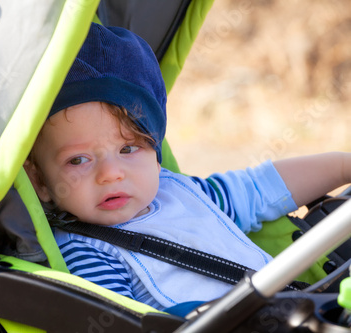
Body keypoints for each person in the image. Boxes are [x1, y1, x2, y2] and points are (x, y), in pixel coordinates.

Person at [24, 23, 351, 314]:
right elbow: (117, 322)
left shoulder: (184, 193)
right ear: (39, 181)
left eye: (128, 148)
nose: (111, 173)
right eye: (78, 160)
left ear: (155, 152)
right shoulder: (84, 251)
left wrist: (341, 166)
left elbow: (261, 188)